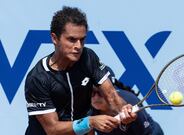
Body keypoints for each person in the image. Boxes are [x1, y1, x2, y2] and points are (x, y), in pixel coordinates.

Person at [24, 6, 136, 135]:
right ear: (54, 38)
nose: (78, 46)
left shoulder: (88, 57)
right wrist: (90, 122)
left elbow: (111, 96)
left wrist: (123, 110)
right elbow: (52, 129)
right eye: (71, 40)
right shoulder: (38, 78)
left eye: (82, 39)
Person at [89, 66, 164, 135]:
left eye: (100, 92)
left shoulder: (130, 100)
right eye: (90, 92)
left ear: (111, 90)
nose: (95, 97)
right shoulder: (87, 109)